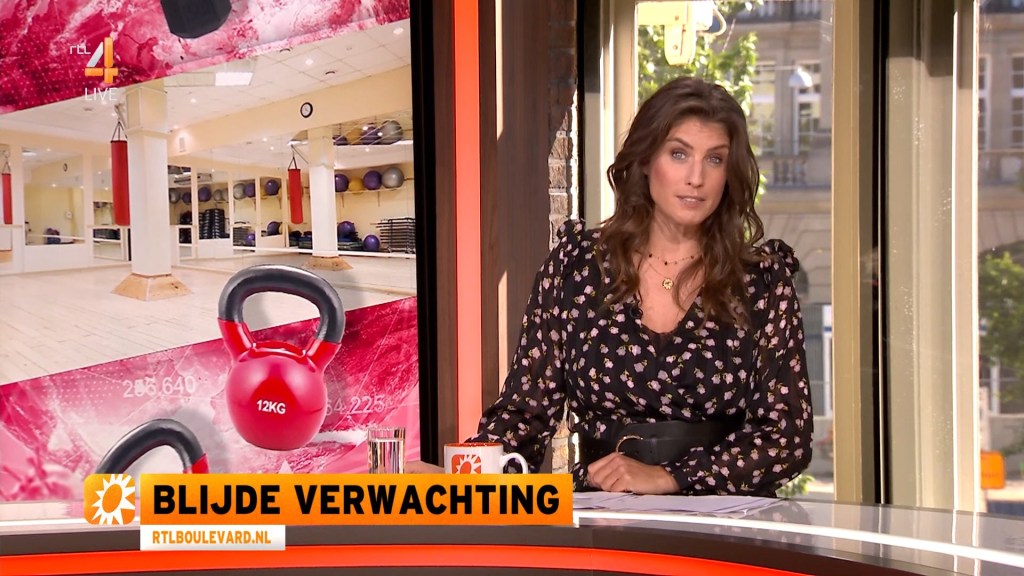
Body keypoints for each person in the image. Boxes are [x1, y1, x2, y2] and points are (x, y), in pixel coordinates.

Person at [417, 76, 814, 496]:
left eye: (714, 159)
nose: (696, 177)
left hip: (725, 517)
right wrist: (456, 482)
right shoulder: (576, 269)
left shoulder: (761, 281)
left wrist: (671, 476)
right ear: (645, 160)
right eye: (678, 154)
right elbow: (524, 416)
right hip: (604, 510)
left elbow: (787, 438)